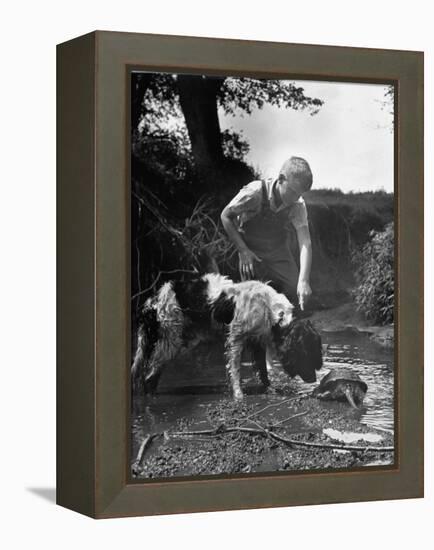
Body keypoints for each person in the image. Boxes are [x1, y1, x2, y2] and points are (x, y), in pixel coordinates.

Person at [221, 156, 313, 312]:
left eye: (298, 194)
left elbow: (305, 242)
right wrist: (243, 250)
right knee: (252, 299)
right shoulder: (254, 192)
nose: (294, 199)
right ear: (281, 179)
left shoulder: (298, 204)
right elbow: (225, 216)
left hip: (278, 249)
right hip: (251, 249)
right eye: (291, 192)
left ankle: (281, 321)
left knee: (293, 290)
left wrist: (304, 280)